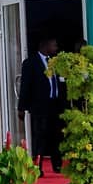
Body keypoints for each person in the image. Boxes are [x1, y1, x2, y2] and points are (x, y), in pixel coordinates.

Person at [18, 36, 64, 174]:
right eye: (54, 45)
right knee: (40, 137)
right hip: (39, 106)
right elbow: (25, 86)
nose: (56, 48)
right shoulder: (30, 63)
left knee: (57, 135)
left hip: (55, 104)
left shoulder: (54, 62)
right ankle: (38, 167)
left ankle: (57, 165)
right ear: (45, 45)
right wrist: (21, 107)